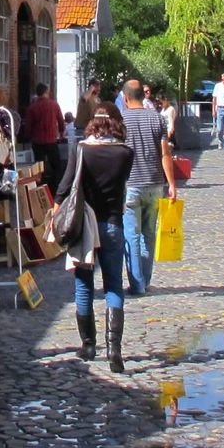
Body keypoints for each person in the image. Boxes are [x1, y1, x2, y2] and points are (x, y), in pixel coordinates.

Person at [62, 109, 135, 373]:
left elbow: (65, 186)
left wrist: (55, 213)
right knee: (114, 285)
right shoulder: (125, 153)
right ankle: (115, 350)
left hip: (85, 226)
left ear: (92, 125)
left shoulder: (80, 149)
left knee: (84, 284)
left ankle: (89, 345)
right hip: (113, 223)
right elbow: (122, 184)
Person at [118, 78, 176, 297]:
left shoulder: (121, 120)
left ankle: (137, 283)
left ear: (125, 98)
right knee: (149, 234)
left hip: (130, 184)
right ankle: (146, 278)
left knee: (131, 236)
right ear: (143, 96)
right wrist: (171, 183)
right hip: (154, 183)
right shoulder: (156, 117)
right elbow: (165, 154)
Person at [23, 82, 66, 195]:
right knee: (56, 166)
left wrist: (27, 137)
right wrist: (62, 133)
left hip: (37, 142)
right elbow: (61, 122)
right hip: (51, 141)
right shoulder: (54, 105)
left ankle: (40, 190)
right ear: (46, 92)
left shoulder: (32, 108)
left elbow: (28, 127)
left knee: (38, 167)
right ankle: (54, 189)